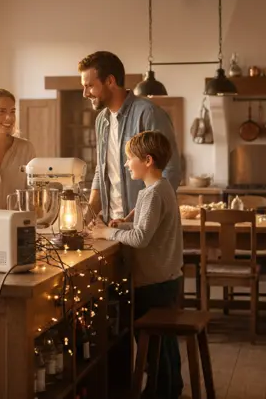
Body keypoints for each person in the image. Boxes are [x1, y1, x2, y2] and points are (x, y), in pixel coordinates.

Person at [89, 130, 184, 399]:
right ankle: (171, 388)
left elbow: (141, 238)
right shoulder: (157, 189)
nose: (127, 163)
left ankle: (158, 393)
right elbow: (146, 226)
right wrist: (124, 225)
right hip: (165, 278)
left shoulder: (153, 194)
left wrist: (106, 233)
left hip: (154, 283)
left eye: (130, 158)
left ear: (148, 160)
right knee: (164, 345)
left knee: (154, 345)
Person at [78, 51, 181, 227]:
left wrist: (131, 219)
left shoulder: (148, 113)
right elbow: (101, 171)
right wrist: (86, 218)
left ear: (110, 81)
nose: (85, 93)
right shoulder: (101, 120)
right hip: (113, 226)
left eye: (90, 86)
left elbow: (170, 173)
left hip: (146, 227)